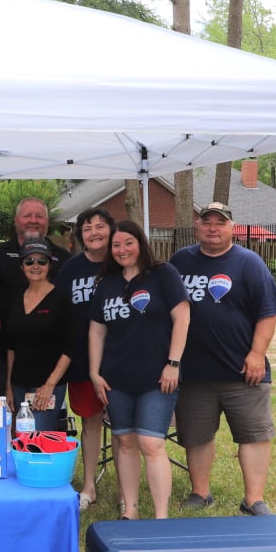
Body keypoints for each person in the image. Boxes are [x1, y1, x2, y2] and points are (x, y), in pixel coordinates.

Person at [169, 201, 276, 517]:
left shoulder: (249, 263)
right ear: (198, 227)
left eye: (219, 223)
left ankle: (254, 499)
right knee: (196, 435)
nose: (212, 228)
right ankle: (200, 492)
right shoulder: (181, 261)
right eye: (206, 222)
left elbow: (268, 312)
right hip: (194, 372)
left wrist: (257, 354)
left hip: (242, 371)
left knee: (254, 434)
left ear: (232, 227)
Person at [89, 220, 189, 520]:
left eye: (127, 243)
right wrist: (95, 373)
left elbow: (182, 318)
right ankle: (129, 511)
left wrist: (173, 363)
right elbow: (96, 331)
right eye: (116, 245)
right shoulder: (106, 283)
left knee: (151, 442)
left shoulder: (163, 275)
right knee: (126, 442)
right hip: (116, 378)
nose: (122, 250)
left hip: (158, 377)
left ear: (140, 243)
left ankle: (161, 518)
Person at [54, 207, 116, 510]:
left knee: (122, 425)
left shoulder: (122, 263)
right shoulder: (70, 269)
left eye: (100, 226)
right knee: (90, 421)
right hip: (81, 360)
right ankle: (89, 484)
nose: (94, 232)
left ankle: (124, 489)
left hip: (120, 359)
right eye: (87, 227)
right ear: (80, 235)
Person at [0, 196, 71, 397]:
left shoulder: (63, 258)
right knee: (2, 417)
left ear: (47, 221)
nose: (33, 220)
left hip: (48, 360)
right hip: (2, 354)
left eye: (39, 216)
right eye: (27, 215)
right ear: (16, 220)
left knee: (43, 425)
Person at [3, 241, 73, 430]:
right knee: (18, 440)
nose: (35, 266)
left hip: (46, 386)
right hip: (18, 384)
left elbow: (70, 348)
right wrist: (8, 386)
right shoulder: (15, 299)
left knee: (36, 440)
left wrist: (49, 385)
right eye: (29, 261)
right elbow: (11, 346)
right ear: (21, 266)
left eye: (41, 261)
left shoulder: (61, 300)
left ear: (49, 265)